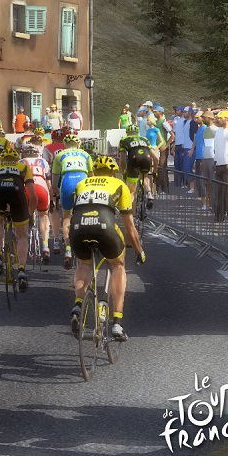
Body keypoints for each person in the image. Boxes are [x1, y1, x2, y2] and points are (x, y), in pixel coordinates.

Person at [67, 155, 146, 342]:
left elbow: (73, 212)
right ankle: (117, 323)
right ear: (114, 172)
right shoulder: (119, 184)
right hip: (104, 227)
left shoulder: (82, 184)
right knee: (118, 265)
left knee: (84, 265)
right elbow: (130, 226)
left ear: (94, 172)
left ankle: (78, 304)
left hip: (78, 227)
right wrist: (139, 250)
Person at [0, 146, 35, 290]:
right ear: (16, 158)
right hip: (17, 195)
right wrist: (30, 213)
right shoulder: (23, 166)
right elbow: (32, 195)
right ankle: (21, 269)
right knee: (22, 235)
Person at [52, 134, 94, 267]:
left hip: (67, 182)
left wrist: (55, 191)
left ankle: (68, 250)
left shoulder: (60, 155)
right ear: (78, 144)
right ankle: (88, 242)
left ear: (65, 144)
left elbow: (55, 177)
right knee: (87, 213)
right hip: (83, 182)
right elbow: (92, 175)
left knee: (66, 217)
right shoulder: (86, 154)